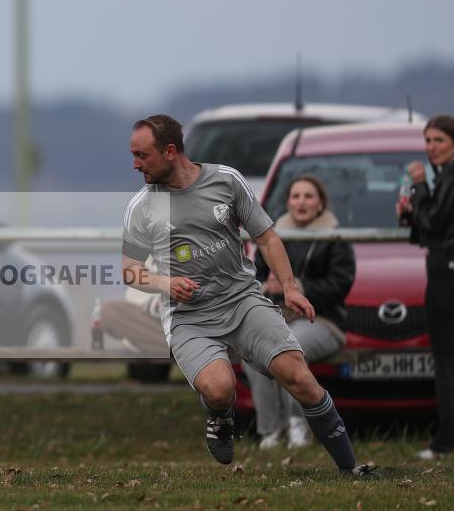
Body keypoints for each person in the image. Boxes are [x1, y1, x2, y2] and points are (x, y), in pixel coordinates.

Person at [121, 114, 372, 475]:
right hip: (190, 318)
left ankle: (350, 469)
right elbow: (129, 269)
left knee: (300, 378)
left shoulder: (226, 181)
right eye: (134, 155)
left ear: (171, 152)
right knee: (220, 387)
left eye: (142, 155)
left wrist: (289, 287)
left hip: (242, 301)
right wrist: (165, 284)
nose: (135, 164)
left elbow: (267, 237)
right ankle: (219, 415)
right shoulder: (142, 207)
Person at [243, 175, 354, 450]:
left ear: (320, 204)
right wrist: (264, 286)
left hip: (323, 321)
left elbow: (339, 285)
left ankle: (299, 424)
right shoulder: (273, 235)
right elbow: (254, 275)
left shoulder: (336, 236)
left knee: (290, 349)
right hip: (278, 316)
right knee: (254, 354)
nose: (301, 202)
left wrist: (298, 287)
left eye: (308, 196)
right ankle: (270, 430)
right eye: (296, 196)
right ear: (288, 202)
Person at [397, 115, 454, 460]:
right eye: (428, 141)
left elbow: (434, 222)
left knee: (446, 361)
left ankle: (445, 441)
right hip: (442, 266)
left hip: (446, 272)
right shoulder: (445, 176)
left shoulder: (449, 175)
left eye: (439, 141)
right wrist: (411, 212)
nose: (431, 148)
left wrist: (418, 187)